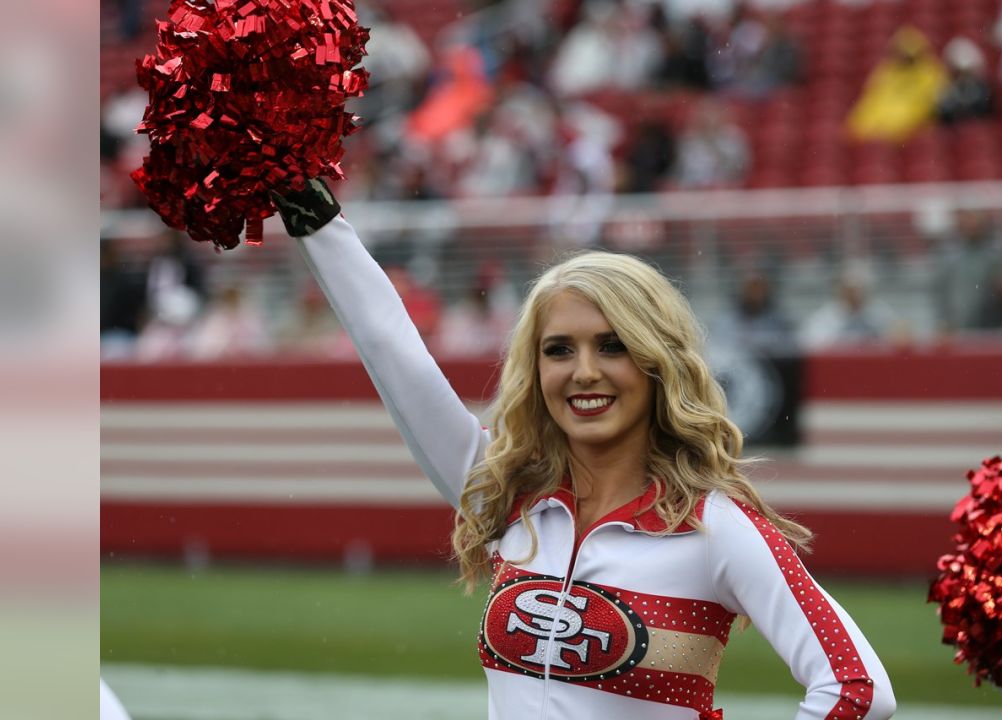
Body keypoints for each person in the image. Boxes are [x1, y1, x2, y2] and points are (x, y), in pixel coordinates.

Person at [273, 178, 896, 719]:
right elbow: (393, 349)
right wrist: (308, 205)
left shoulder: (716, 528)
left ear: (658, 363)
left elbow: (857, 686)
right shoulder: (507, 491)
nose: (584, 372)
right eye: (559, 349)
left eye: (613, 346)